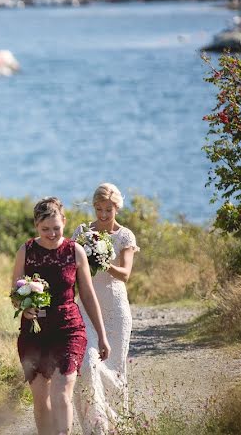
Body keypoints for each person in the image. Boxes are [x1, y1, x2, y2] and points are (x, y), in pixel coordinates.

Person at [13, 197, 110, 435]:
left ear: (64, 222)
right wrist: (24, 307)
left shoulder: (75, 251)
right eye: (45, 229)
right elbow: (15, 293)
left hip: (69, 329)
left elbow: (88, 296)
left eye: (56, 228)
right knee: (41, 401)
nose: (52, 234)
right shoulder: (26, 251)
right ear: (36, 225)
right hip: (34, 331)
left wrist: (102, 335)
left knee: (61, 394)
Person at [72, 183, 139, 434]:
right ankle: (96, 428)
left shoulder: (125, 236)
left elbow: (125, 274)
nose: (102, 215)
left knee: (113, 370)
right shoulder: (81, 232)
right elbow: (71, 265)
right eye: (98, 209)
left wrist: (103, 261)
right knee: (88, 363)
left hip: (116, 309)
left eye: (108, 210)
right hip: (86, 308)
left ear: (117, 208)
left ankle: (118, 426)